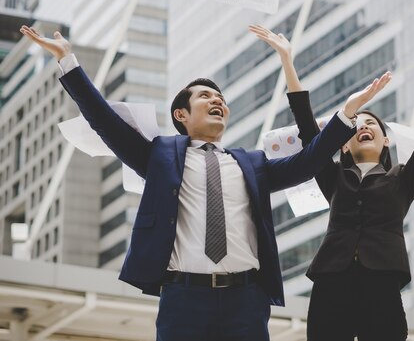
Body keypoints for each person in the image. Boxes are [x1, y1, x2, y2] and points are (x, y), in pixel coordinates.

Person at [20, 25, 391, 341]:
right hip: (184, 297)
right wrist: (67, 60)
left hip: (246, 299)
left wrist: (347, 112)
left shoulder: (252, 164)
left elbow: (309, 160)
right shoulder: (160, 157)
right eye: (205, 96)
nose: (217, 100)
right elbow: (105, 121)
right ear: (181, 114)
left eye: (220, 98)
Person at [249, 23, 414, 341]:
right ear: (343, 143)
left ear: (385, 140)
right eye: (355, 124)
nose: (363, 126)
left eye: (371, 123)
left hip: (382, 283)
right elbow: (307, 127)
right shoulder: (333, 176)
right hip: (331, 282)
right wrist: (287, 59)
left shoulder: (403, 178)